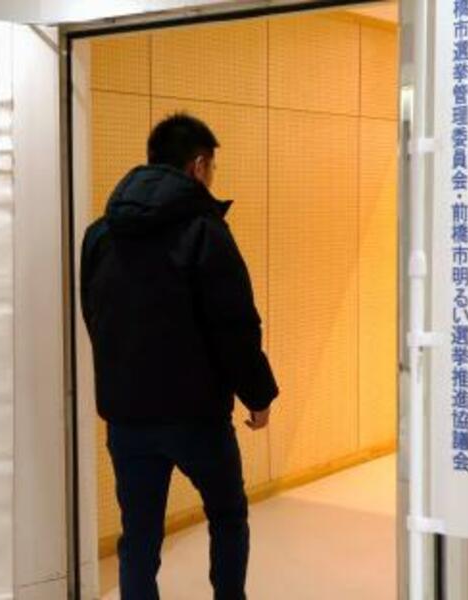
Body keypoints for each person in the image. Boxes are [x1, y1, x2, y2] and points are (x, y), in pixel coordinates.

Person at [81, 113, 279, 600]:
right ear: (198, 165)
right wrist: (258, 394)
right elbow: (234, 325)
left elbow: (95, 315)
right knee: (227, 515)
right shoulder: (205, 231)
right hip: (197, 416)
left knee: (139, 535)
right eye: (213, 167)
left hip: (127, 417)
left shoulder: (101, 233)